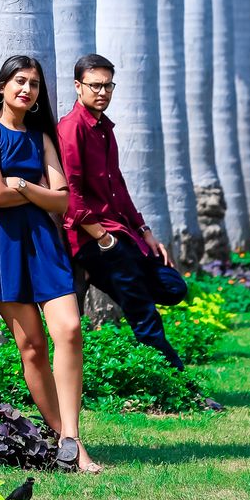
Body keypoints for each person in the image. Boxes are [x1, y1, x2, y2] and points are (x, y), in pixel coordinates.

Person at [0, 54, 102, 473]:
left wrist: (22, 184)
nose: (27, 90)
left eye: (35, 85)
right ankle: (70, 444)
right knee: (31, 346)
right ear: (3, 87)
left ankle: (69, 437)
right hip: (0, 244)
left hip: (43, 243)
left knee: (70, 329)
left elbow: (62, 201)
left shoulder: (41, 139)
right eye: (20, 82)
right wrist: (38, 190)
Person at [57, 52, 189, 370]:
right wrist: (101, 237)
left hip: (120, 235)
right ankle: (176, 379)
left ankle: (99, 276)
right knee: (143, 312)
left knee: (173, 287)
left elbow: (118, 187)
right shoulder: (71, 128)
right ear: (78, 86)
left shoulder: (104, 128)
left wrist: (145, 231)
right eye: (95, 85)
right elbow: (70, 192)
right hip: (97, 239)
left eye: (108, 86)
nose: (103, 92)